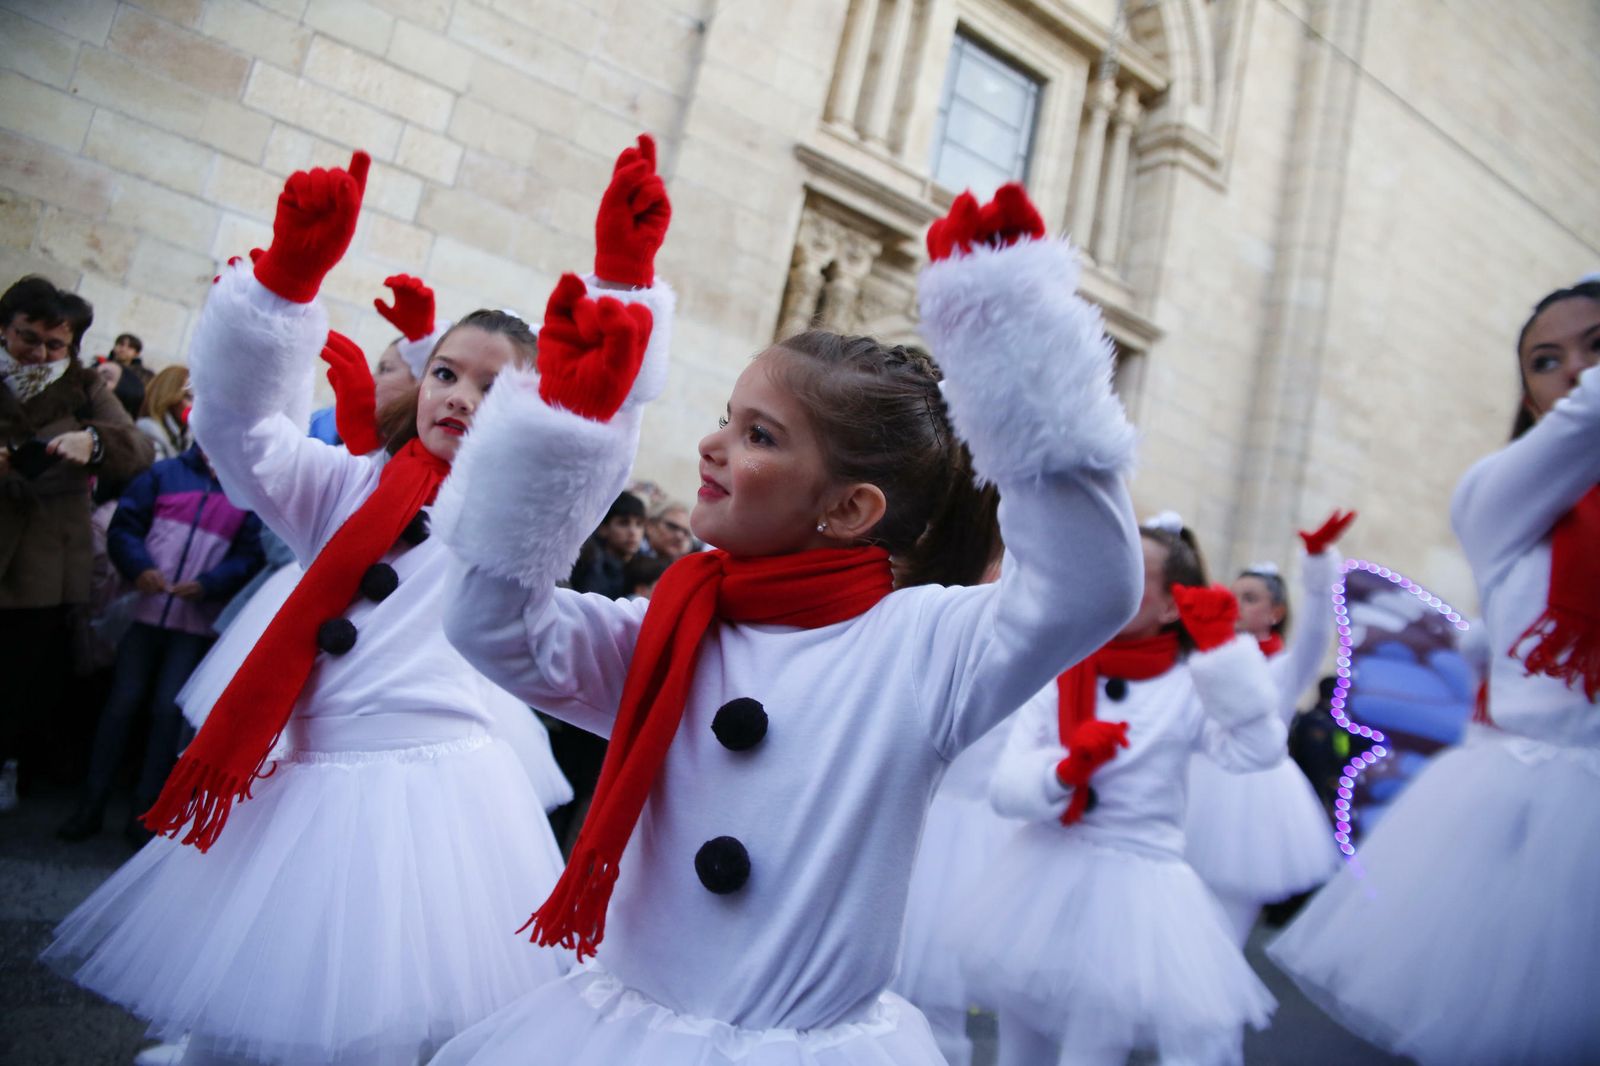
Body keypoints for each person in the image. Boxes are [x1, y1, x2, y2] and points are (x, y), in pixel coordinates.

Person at [428, 175, 1141, 1064]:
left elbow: (1088, 588)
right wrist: (565, 425)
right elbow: (493, 624)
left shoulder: (921, 646)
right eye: (728, 420)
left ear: (847, 509)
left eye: (760, 436)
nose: (713, 445)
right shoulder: (667, 630)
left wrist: (1015, 342)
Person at [43, 150, 569, 1065]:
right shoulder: (348, 484)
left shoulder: (514, 522)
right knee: (246, 1005)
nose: (461, 397)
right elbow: (245, 434)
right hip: (302, 783)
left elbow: (568, 484)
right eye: (447, 373)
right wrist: (279, 297)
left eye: (496, 387)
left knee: (376, 1022)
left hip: (431, 792)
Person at [1267, 281, 1600, 1065]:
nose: (1576, 374)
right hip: (1532, 811)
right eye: (1547, 362)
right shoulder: (1499, 498)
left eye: (1598, 346)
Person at [959, 517, 1281, 1066]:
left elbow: (1258, 751)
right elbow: (1006, 790)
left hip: (1136, 890)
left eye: (1135, 577)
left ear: (1170, 606)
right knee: (1018, 1044)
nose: (1114, 583)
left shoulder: (1189, 684)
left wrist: (1224, 656)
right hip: (1041, 876)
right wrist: (1065, 769)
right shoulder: (1062, 666)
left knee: (1094, 1046)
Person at [58, 443, 264, 846]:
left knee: (168, 712)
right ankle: (92, 803)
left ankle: (146, 808)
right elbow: (125, 527)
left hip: (194, 620)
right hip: (145, 611)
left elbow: (248, 555)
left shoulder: (245, 492)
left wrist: (210, 584)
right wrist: (139, 568)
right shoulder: (164, 474)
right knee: (122, 703)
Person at [1, 276, 153, 811]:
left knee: (17, 675)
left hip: (43, 555)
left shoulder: (84, 385)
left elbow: (137, 446)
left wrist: (91, 443)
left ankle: (7, 762)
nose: (40, 353)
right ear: (5, 329)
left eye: (54, 344)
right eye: (27, 338)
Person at [1181, 510, 1352, 944]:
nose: (1237, 604)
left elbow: (1317, 628)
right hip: (1196, 784)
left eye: (1250, 597)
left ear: (1275, 611)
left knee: (1224, 929)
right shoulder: (1209, 657)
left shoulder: (1286, 667)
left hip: (1253, 801)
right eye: (1233, 594)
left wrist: (1316, 563)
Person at [308, 273, 448, 446]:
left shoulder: (421, 452)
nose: (373, 379)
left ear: (419, 383)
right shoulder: (326, 422)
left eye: (386, 369)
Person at [568, 491, 646, 598]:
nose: (633, 532)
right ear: (603, 528)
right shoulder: (588, 562)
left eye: (639, 524)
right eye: (623, 523)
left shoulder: (643, 567)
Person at [135, 365, 193, 461]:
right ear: (169, 396)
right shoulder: (149, 429)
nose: (195, 406)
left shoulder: (185, 436)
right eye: (189, 397)